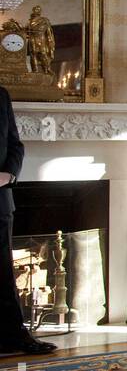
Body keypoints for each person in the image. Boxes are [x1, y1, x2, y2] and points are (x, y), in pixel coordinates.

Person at [0, 84, 55, 355]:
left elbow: (15, 145)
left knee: (4, 275)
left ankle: (15, 338)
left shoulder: (1, 95)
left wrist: (8, 174)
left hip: (0, 200)